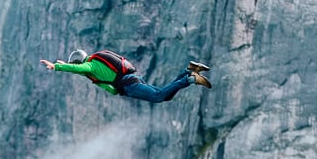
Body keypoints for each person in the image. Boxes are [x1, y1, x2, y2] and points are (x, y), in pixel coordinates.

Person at [39, 49, 212, 103]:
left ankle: (189, 79)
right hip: (135, 78)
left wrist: (56, 66)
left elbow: (113, 92)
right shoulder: (96, 61)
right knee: (163, 96)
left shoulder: (90, 66)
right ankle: (188, 71)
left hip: (129, 86)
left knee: (159, 96)